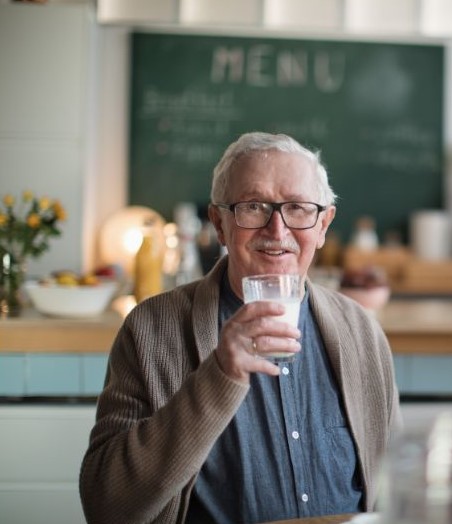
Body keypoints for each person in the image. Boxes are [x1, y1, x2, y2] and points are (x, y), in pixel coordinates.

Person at [80, 132, 401, 523]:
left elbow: (394, 488)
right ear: (219, 223)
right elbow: (107, 508)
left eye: (298, 208)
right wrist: (218, 377)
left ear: (323, 225)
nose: (277, 230)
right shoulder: (152, 330)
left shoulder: (361, 331)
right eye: (253, 206)